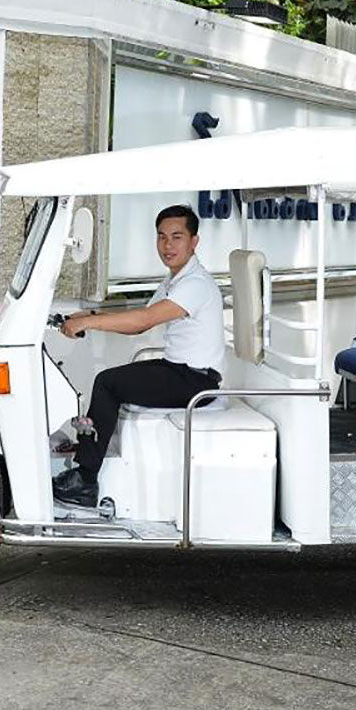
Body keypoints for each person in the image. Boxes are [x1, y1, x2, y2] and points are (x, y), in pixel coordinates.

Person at [51, 204, 225, 507]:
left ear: (194, 241)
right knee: (113, 380)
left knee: (107, 383)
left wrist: (88, 323)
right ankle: (85, 466)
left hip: (195, 382)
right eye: (161, 237)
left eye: (177, 237)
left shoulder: (195, 284)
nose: (167, 245)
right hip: (180, 371)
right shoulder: (176, 279)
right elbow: (142, 317)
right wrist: (90, 316)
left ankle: (86, 480)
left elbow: (143, 322)